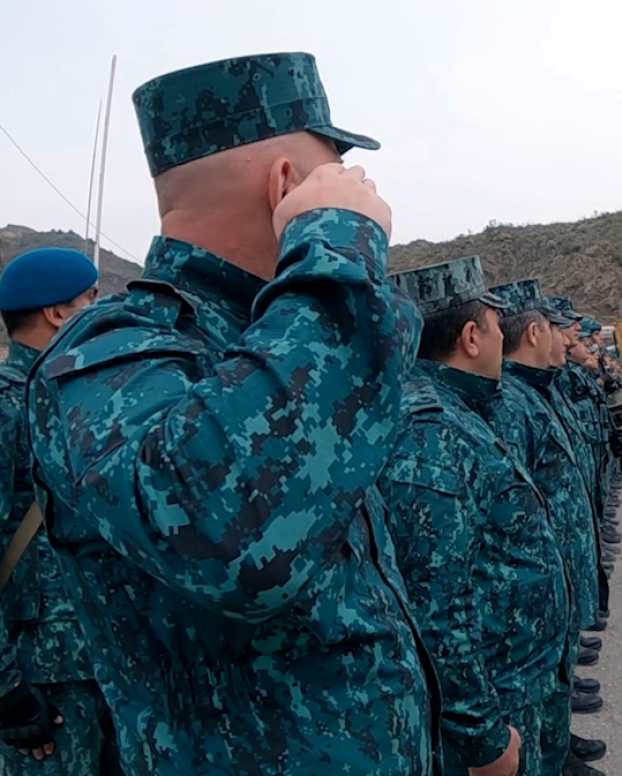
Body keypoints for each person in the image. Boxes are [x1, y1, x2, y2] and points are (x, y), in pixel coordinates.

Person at [26, 54, 436, 775]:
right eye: (331, 172)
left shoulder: (273, 338)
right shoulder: (113, 354)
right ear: (285, 183)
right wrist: (337, 243)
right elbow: (232, 538)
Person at [383, 260, 571, 776]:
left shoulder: (455, 412)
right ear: (470, 336)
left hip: (516, 680)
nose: (500, 338)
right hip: (499, 696)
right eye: (493, 324)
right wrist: (481, 737)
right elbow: (434, 604)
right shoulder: (431, 432)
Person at [0, 249, 119, 774]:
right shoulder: (8, 408)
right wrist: (7, 693)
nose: (100, 312)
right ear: (57, 314)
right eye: (91, 300)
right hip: (42, 683)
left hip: (107, 665)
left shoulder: (67, 398)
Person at [489, 280, 607, 762]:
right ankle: (551, 754)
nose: (569, 339)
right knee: (536, 686)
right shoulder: (510, 403)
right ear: (534, 333)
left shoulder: (535, 391)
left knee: (553, 676)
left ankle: (558, 750)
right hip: (537, 572)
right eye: (559, 330)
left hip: (555, 560)